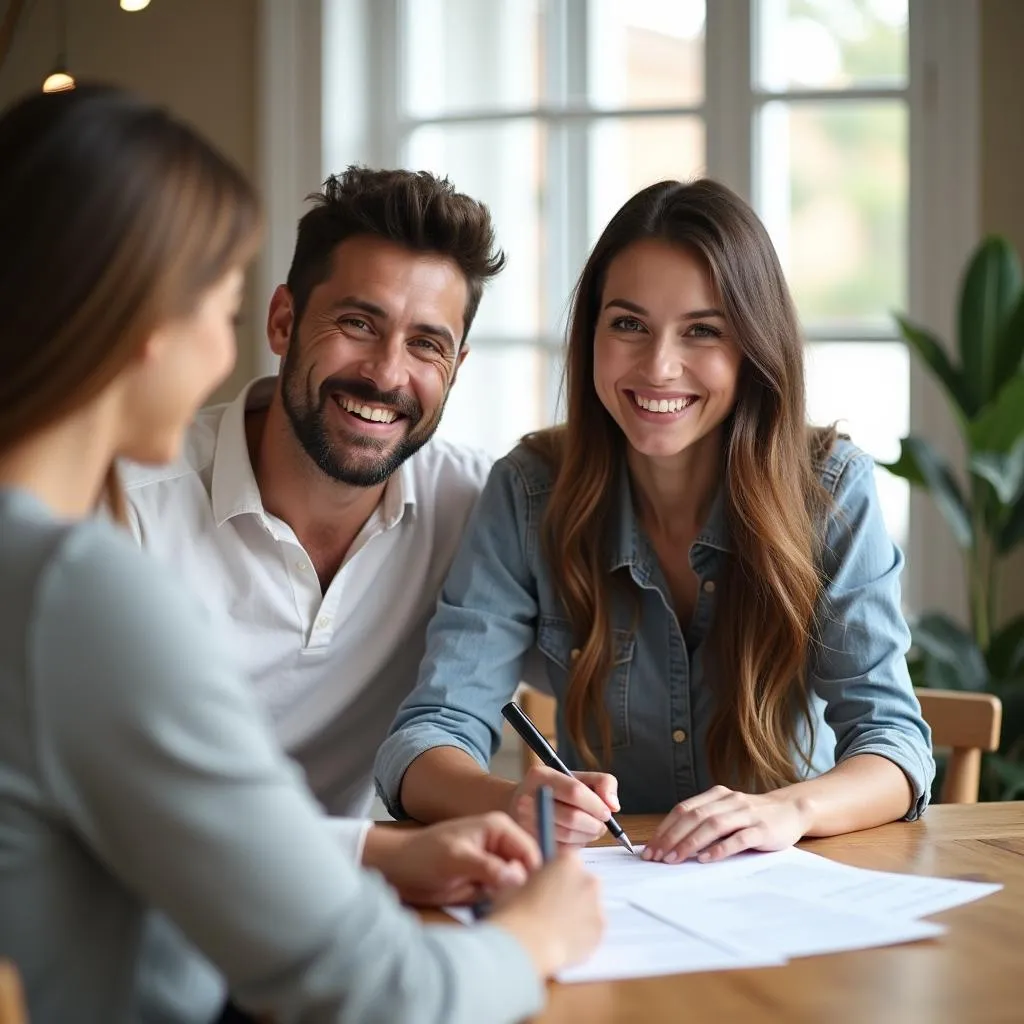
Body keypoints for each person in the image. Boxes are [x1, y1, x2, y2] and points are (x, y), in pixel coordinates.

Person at [0, 84, 602, 1024]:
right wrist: (537, 935)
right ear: (143, 328)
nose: (218, 354)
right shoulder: (77, 584)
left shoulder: (476, 503)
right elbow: (373, 993)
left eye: (427, 344)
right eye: (220, 308)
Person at [375, 177, 936, 865]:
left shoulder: (830, 488)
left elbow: (894, 743)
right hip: (614, 899)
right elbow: (427, 734)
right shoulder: (528, 493)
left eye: (703, 331)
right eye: (629, 325)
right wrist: (512, 801)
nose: (659, 366)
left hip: (789, 885)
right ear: (591, 337)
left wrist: (788, 809)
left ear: (754, 347)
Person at [119, 164, 502, 861]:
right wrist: (382, 857)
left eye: (426, 344)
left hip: (343, 925)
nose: (387, 374)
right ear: (282, 320)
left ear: (457, 366)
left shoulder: (475, 507)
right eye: (359, 323)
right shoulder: (131, 505)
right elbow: (126, 805)